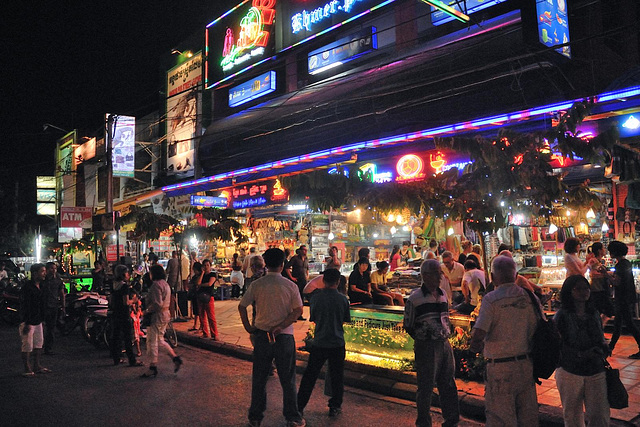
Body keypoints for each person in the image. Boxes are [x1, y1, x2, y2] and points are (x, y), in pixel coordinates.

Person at [469, 255, 540, 426]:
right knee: (528, 417)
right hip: (526, 365)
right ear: (516, 276)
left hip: (500, 369)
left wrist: (474, 347)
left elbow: (479, 333)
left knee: (501, 418)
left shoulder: (491, 299)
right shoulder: (530, 298)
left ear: (493, 278)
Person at [238, 248, 306, 427]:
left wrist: (248, 328)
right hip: (283, 337)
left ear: (266, 264)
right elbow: (298, 310)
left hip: (261, 336)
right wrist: (281, 325)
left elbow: (242, 306)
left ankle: (255, 417)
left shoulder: (257, 285)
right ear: (283, 264)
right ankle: (292, 417)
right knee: (288, 379)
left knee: (259, 378)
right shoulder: (290, 285)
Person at [403, 259, 459, 427]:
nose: (440, 276)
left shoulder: (442, 294)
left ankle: (451, 419)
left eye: (440, 273)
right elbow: (408, 324)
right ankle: (423, 422)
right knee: (426, 386)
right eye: (437, 273)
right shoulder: (415, 299)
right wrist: (424, 338)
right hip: (426, 346)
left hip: (444, 343)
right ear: (426, 276)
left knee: (448, 382)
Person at [554, 275, 610, 426]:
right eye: (578, 289)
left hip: (595, 368)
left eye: (586, 288)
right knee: (572, 416)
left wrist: (603, 345)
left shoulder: (593, 313)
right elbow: (558, 344)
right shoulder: (562, 315)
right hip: (570, 370)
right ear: (569, 291)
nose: (584, 292)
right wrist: (581, 354)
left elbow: (599, 336)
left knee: (600, 414)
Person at [297, 268, 351, 418]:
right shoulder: (343, 300)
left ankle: (299, 406)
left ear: (323, 280)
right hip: (337, 342)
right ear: (338, 281)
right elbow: (345, 320)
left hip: (320, 342)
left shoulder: (316, 299)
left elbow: (314, 318)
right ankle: (335, 406)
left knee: (310, 376)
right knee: (337, 376)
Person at [140, 264, 182, 378]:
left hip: (157, 315)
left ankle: (153, 367)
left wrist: (146, 311)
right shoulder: (166, 284)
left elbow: (157, 304)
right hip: (165, 314)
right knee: (159, 340)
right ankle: (175, 358)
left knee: (152, 341)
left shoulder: (156, 285)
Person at [607, 240, 640, 358]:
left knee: (627, 323)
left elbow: (617, 282)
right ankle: (610, 347)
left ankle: (610, 348)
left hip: (623, 298)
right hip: (627, 297)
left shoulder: (620, 265)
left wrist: (606, 275)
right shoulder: (626, 263)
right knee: (619, 323)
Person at [19, 263, 50, 377]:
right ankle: (27, 368)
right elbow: (25, 305)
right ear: (35, 273)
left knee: (38, 344)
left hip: (38, 320)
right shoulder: (27, 287)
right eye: (42, 271)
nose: (44, 274)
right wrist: (26, 322)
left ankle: (37, 365)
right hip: (28, 321)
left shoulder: (42, 286)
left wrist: (43, 319)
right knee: (27, 345)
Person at [109, 265, 142, 367]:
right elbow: (126, 302)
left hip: (115, 313)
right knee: (128, 337)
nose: (128, 275)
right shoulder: (124, 287)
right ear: (123, 274)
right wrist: (134, 300)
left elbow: (111, 299)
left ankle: (116, 358)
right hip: (124, 314)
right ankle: (132, 360)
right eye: (127, 273)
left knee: (116, 336)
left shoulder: (113, 285)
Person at [42, 262, 65, 355]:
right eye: (51, 268)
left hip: (53, 306)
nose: (53, 270)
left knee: (51, 328)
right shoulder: (43, 280)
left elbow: (62, 294)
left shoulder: (58, 281)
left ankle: (48, 348)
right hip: (43, 306)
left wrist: (63, 306)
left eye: (55, 268)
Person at [587, 242, 614, 321]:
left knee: (606, 310)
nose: (605, 250)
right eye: (603, 248)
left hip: (600, 288)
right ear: (599, 250)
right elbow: (593, 273)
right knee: (606, 310)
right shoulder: (593, 261)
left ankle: (599, 327)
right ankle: (599, 327)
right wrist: (608, 274)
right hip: (597, 289)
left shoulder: (599, 261)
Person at [196, 259, 219, 340]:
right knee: (202, 316)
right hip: (200, 296)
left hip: (209, 297)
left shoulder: (212, 275)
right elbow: (198, 283)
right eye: (204, 265)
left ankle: (214, 334)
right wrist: (202, 273)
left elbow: (209, 284)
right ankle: (205, 333)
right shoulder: (201, 275)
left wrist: (201, 285)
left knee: (211, 316)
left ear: (210, 266)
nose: (206, 267)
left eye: (207, 265)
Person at [284, 245, 309, 320]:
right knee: (295, 297)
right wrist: (291, 277)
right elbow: (287, 267)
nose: (305, 251)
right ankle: (293, 314)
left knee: (301, 297)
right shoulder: (295, 258)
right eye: (303, 250)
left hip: (303, 280)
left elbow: (306, 268)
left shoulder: (306, 259)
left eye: (306, 250)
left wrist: (307, 275)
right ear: (300, 250)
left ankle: (299, 314)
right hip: (297, 280)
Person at [187, 261, 202, 333]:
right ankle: (195, 325)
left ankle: (201, 326)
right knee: (196, 311)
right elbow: (189, 284)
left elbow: (197, 284)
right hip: (194, 295)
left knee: (199, 311)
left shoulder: (201, 276)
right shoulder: (194, 277)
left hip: (199, 295)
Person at [166, 251, 180, 318]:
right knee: (177, 295)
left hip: (172, 278)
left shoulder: (171, 261)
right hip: (178, 279)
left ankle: (172, 312)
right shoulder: (179, 261)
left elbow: (167, 271)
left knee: (171, 295)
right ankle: (177, 312)